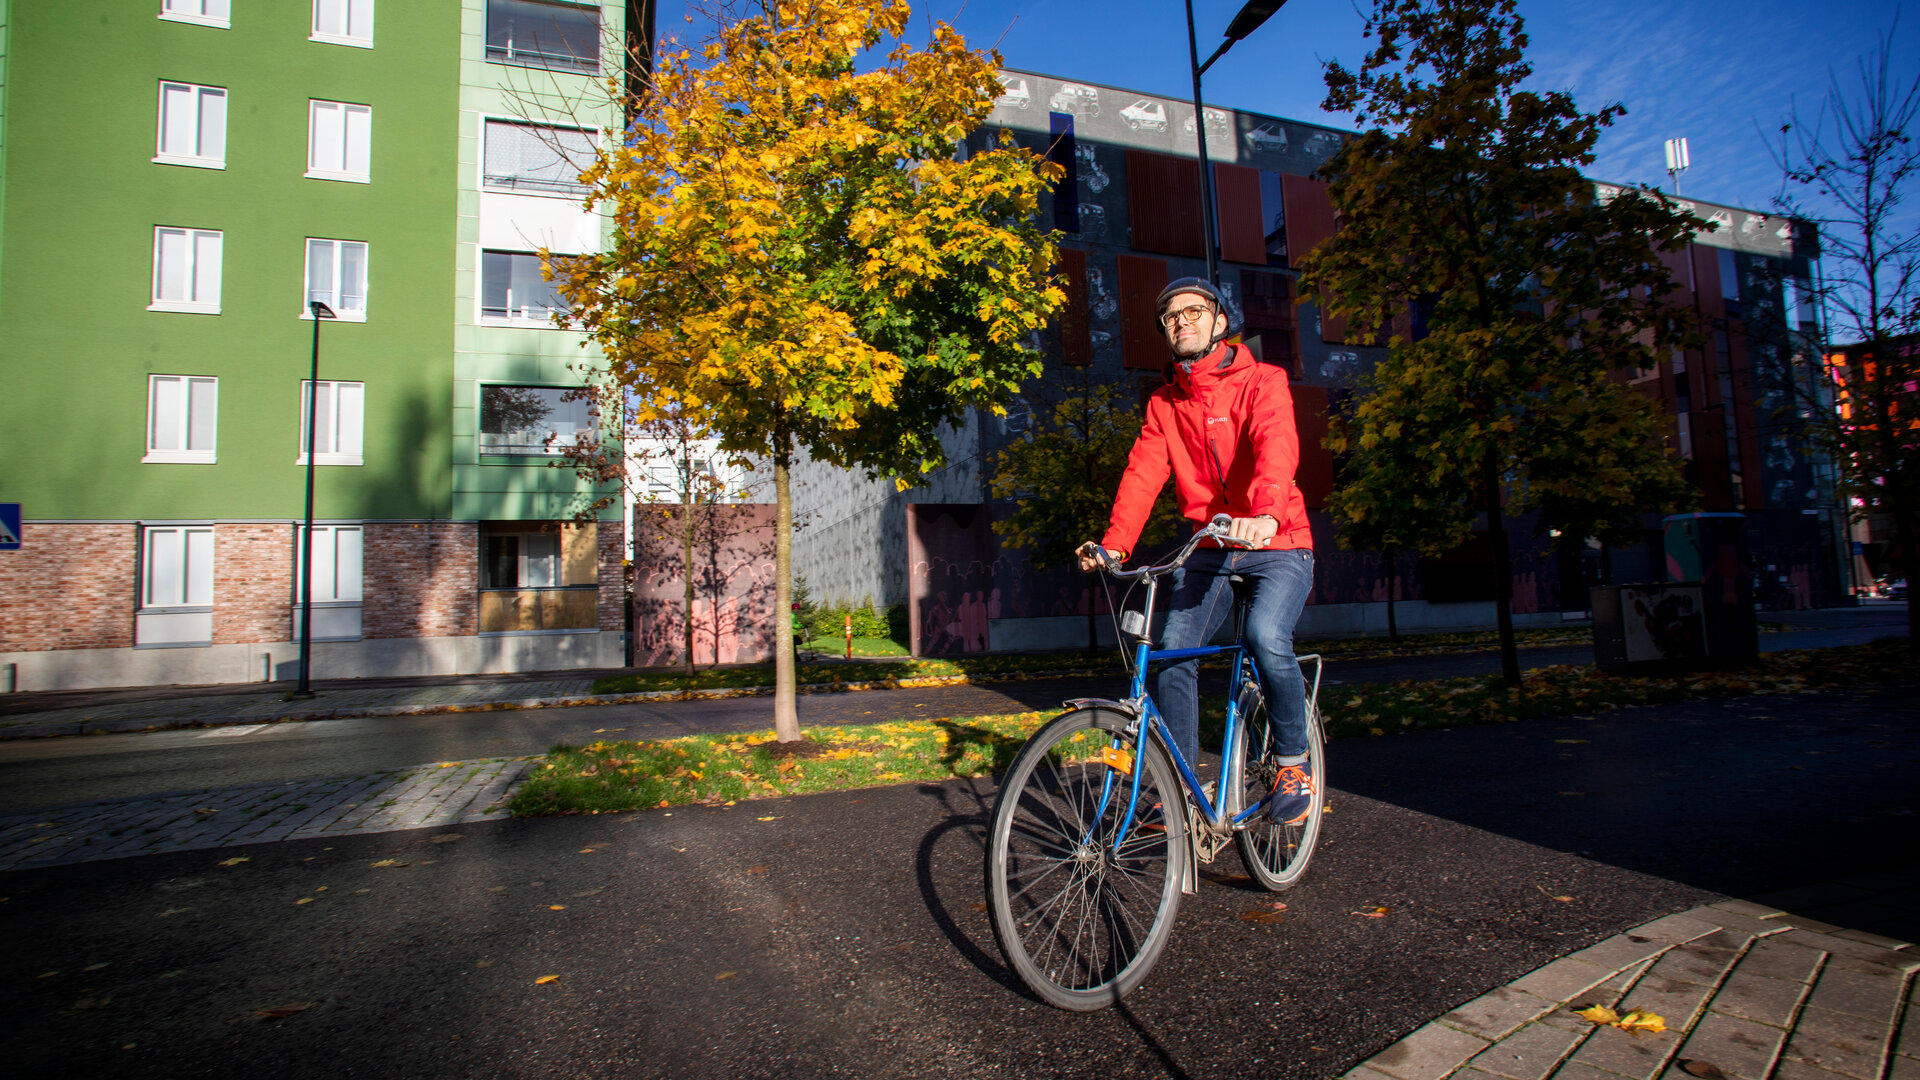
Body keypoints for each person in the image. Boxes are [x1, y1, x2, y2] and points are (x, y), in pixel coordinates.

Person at [1077, 276, 1316, 823]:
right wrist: (1114, 546)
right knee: (1173, 654)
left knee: (1263, 635)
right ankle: (1175, 786)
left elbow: (1275, 444)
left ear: (1220, 321)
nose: (1180, 321)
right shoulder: (1166, 403)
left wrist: (1266, 513)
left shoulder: (1263, 380)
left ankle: (1292, 762)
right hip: (1210, 546)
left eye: (1192, 311)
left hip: (1277, 541)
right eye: (1170, 317)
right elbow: (1143, 474)